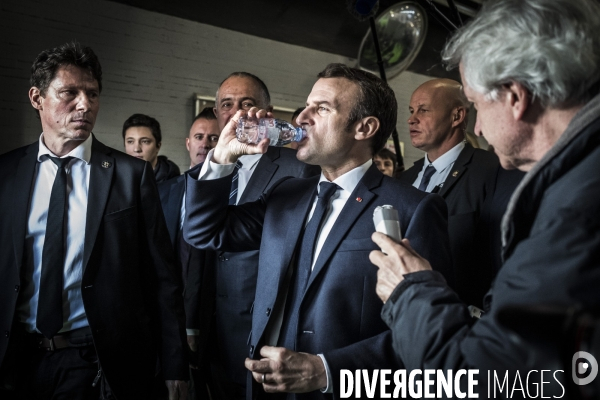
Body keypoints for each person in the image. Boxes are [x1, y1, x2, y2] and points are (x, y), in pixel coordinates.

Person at [371, 0, 600, 395]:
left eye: (476, 104)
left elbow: (484, 377)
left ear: (514, 96)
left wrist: (410, 290)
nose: (477, 123)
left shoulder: (576, 211)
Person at [184, 63, 453, 399]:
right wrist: (221, 158)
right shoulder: (285, 195)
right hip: (264, 388)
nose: (300, 118)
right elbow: (203, 232)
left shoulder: (415, 209)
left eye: (321, 108)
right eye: (307, 105)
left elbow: (427, 337)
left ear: (364, 127)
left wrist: (327, 371)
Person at [0, 42, 188, 399]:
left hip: (93, 362)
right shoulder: (7, 172)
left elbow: (162, 278)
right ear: (37, 98)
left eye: (92, 94)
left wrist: (175, 363)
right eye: (69, 93)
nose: (84, 105)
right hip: (16, 359)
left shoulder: (130, 175)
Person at [198, 72, 319, 400]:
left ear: (266, 112)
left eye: (246, 104)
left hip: (264, 335)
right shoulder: (205, 172)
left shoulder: (299, 169)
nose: (236, 113)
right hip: (211, 332)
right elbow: (199, 238)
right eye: (226, 105)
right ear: (216, 113)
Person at [399, 78, 500, 307]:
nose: (411, 119)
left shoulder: (490, 170)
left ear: (457, 116)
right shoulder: (404, 179)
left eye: (423, 110)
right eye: (412, 110)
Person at [158, 107, 222, 400]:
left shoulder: (233, 194)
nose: (205, 143)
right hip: (167, 318)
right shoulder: (164, 191)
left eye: (213, 137)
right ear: (188, 143)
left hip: (213, 323)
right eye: (199, 136)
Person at [123, 113, 181, 182]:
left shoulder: (174, 180)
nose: (136, 149)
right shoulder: (115, 175)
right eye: (130, 142)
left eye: (145, 141)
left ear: (158, 146)